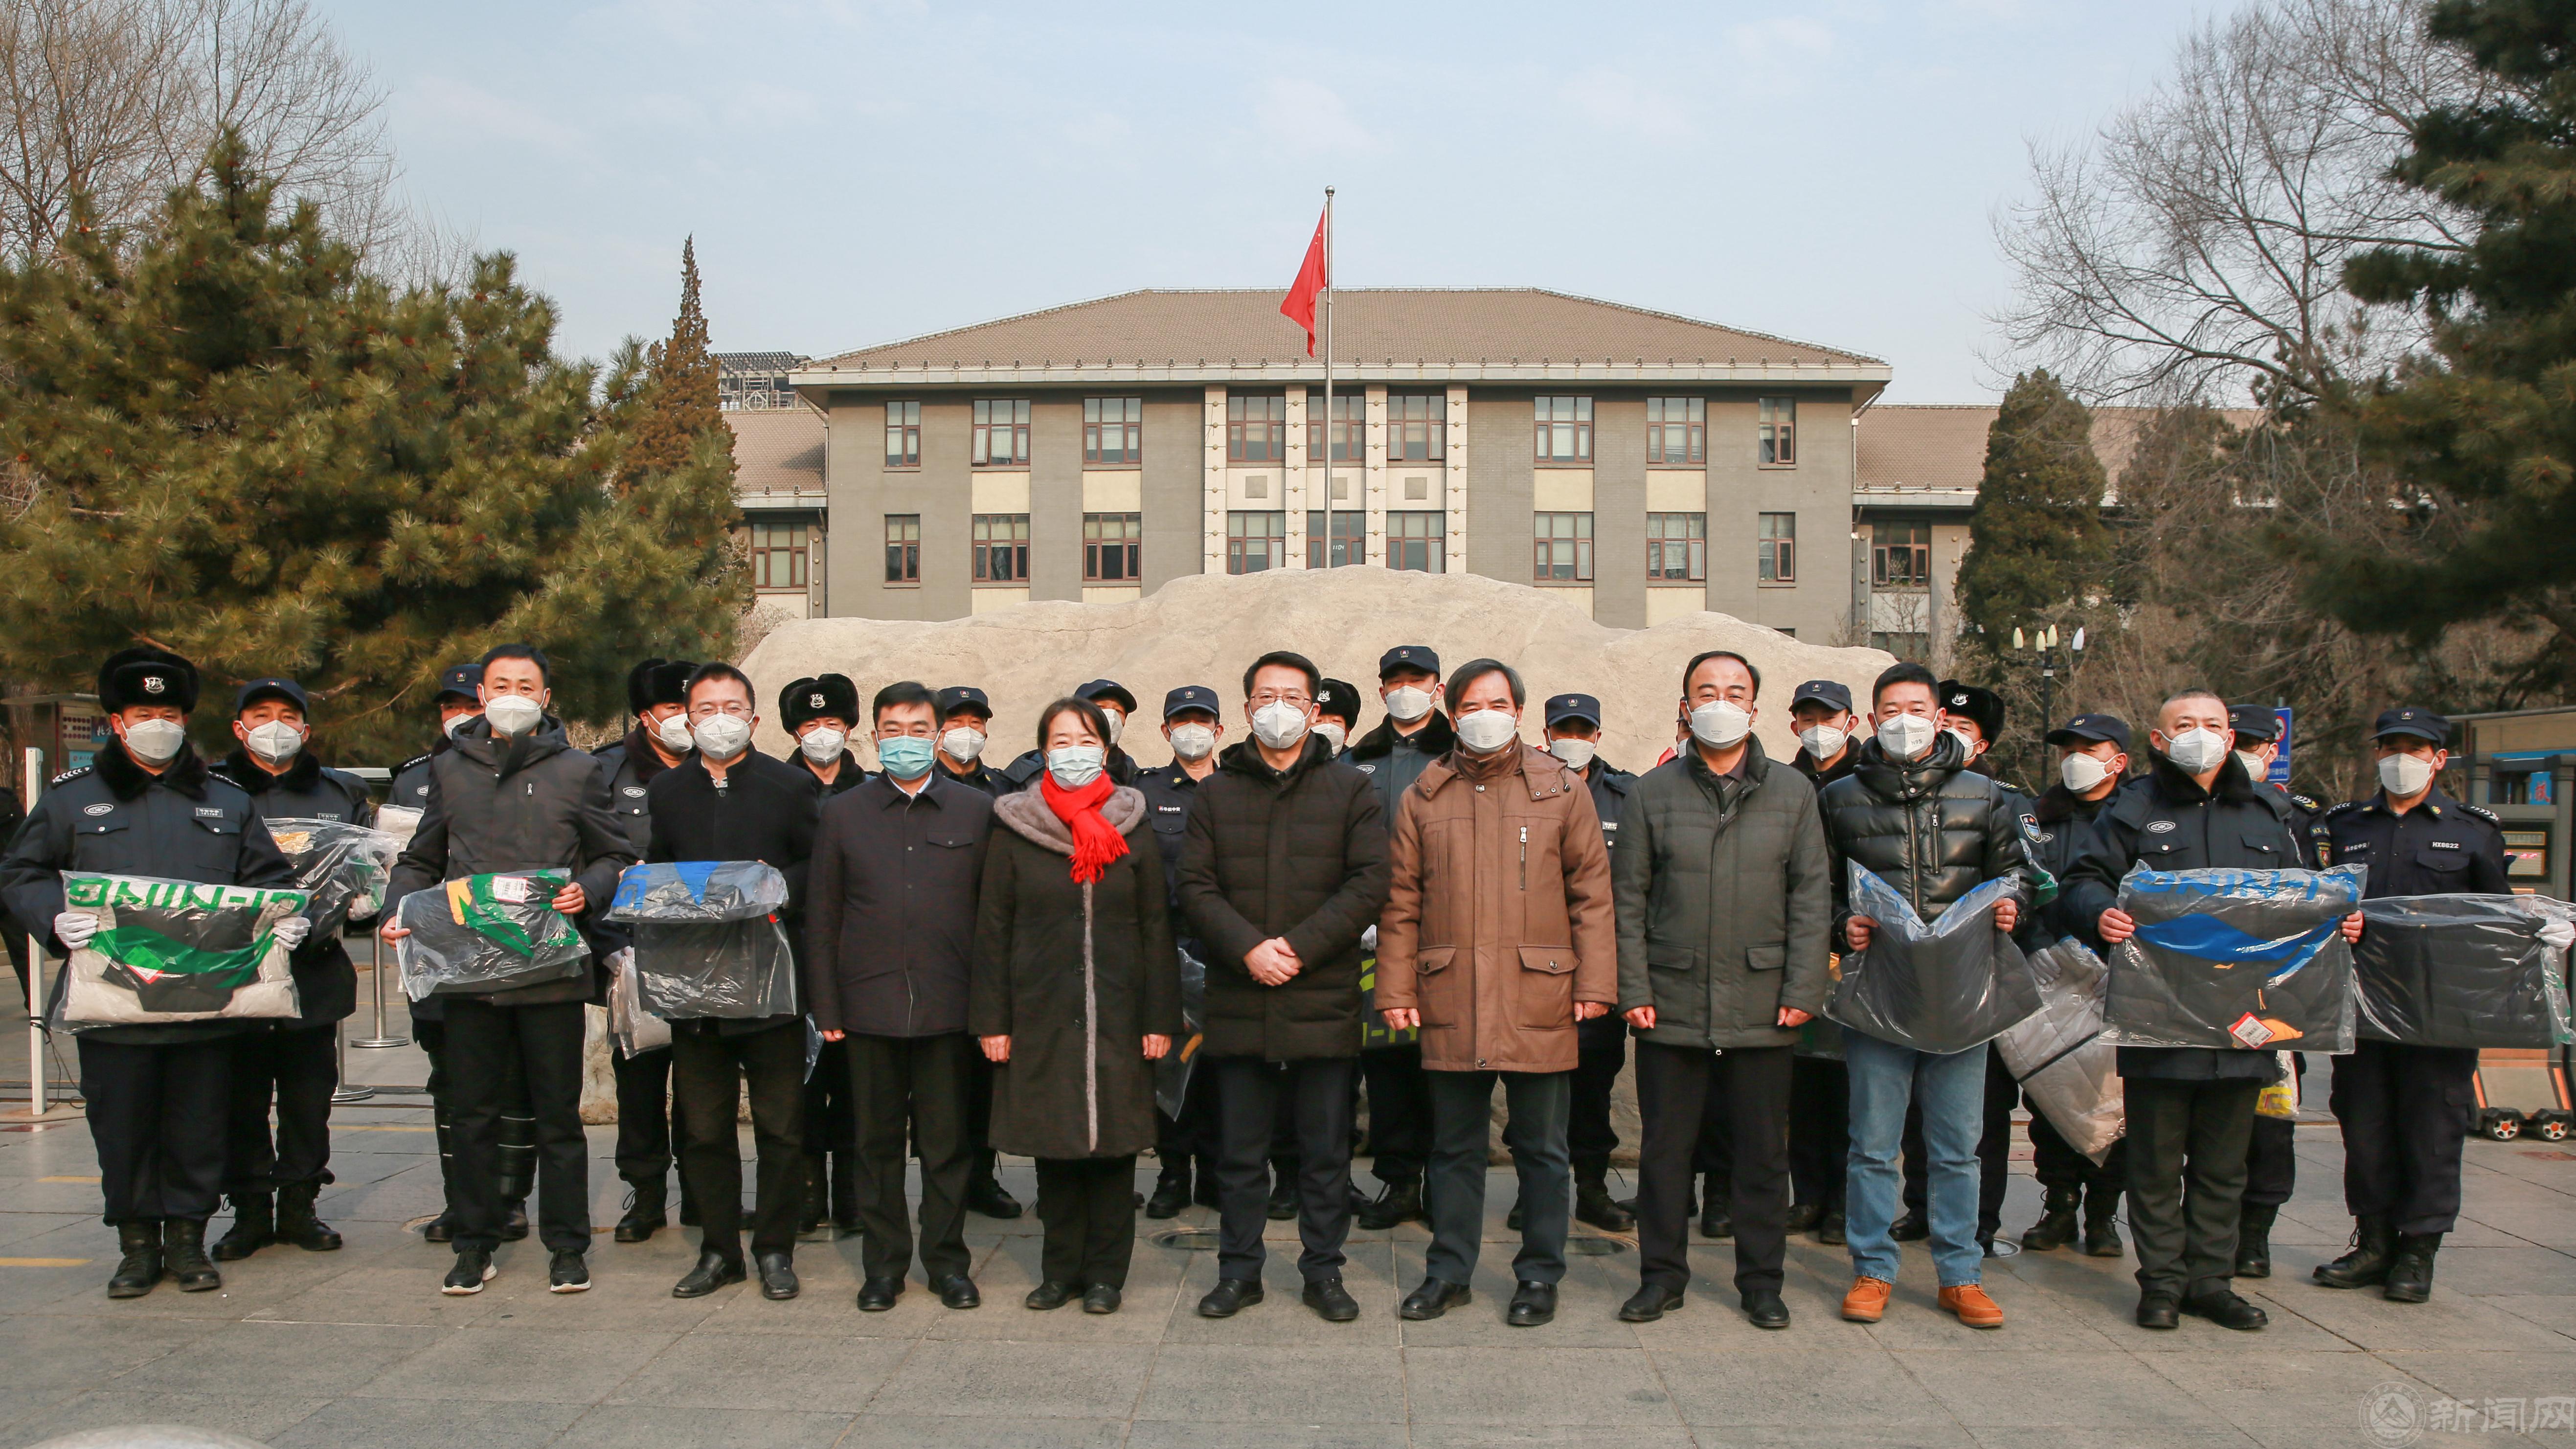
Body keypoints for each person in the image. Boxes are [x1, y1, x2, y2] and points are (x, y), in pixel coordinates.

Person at [1, 648, 305, 1298]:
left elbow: (268, 879)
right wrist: (54, 916)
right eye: (143, 713)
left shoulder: (225, 800)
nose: (157, 724)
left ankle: (189, 1241)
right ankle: (137, 1246)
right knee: (123, 1128)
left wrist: (283, 919)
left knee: (199, 1126)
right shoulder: (73, 800)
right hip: (113, 999)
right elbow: (22, 871)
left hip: (206, 998)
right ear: (116, 721)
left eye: (168, 712)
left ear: (186, 719)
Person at [2061, 687, 2363, 1332]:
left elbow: (2306, 895)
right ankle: (2162, 1284)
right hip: (2157, 1012)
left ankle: (2210, 1282)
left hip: (2245, 1015)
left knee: (2225, 1164)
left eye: (2211, 724)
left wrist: (2341, 919)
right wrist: (2100, 912)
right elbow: (2081, 880)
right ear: (2158, 738)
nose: (2198, 734)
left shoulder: (2269, 811)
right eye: (2183, 724)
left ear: (2229, 736)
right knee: (2154, 1163)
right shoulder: (2133, 807)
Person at [384, 644, 637, 1296]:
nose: (513, 695)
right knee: (472, 1115)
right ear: (483, 695)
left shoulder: (578, 769)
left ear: (546, 697)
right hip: (471, 974)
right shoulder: (450, 767)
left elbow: (613, 854)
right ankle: (475, 1242)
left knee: (558, 1117)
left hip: (551, 971)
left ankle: (567, 1245)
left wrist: (588, 889)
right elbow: (420, 859)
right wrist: (397, 909)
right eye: (502, 684)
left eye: (527, 685)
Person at [1376, 661, 1615, 1328]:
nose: (1486, 716)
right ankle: (1447, 1272)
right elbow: (1401, 902)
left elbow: (1592, 896)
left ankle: (1538, 1274)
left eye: (1499, 703)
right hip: (1451, 992)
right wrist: (1395, 986)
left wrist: (1596, 983)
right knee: (1453, 1148)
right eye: (1473, 706)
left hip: (1539, 992)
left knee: (1541, 1148)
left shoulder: (1560, 788)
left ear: (1518, 712)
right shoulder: (1425, 795)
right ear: (1452, 714)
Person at [1612, 651, 1833, 1328]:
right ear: (1686, 706)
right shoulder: (1652, 792)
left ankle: (1761, 1281)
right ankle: (1661, 1277)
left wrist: (1802, 987)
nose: (1720, 702)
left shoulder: (1793, 792)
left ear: (1754, 708)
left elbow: (1810, 898)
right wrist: (1633, 987)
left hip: (1763, 999)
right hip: (1670, 998)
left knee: (1762, 1153)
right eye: (1705, 691)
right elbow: (1628, 901)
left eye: (1734, 691)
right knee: (1664, 1152)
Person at [1180, 650, 1390, 1321]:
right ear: (1246, 708)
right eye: (1265, 696)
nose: (1279, 709)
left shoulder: (1350, 789)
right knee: (1239, 1154)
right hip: (1239, 996)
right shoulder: (1217, 792)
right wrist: (1248, 947)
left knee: (1325, 1153)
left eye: (1294, 697)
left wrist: (1297, 949)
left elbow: (1369, 882)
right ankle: (1239, 1271)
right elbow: (1194, 885)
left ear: (1313, 708)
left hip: (1321, 997)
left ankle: (1323, 1271)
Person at [1817, 661, 2026, 1331]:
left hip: (1962, 993)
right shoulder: (1839, 798)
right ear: (1872, 718)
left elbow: (2017, 873)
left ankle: (1960, 1274)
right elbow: (1817, 885)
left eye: (1916, 709)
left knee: (1956, 1146)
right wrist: (1841, 924)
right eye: (1891, 710)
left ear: (1938, 718)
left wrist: (2012, 904)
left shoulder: (1984, 794)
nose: (1904, 721)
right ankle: (1872, 1268)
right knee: (1873, 1144)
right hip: (1879, 992)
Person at [974, 696, 1182, 1314]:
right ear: (1042, 751)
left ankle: (1105, 1275)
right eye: (1061, 741)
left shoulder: (1131, 822)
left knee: (1115, 1152)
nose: (1074, 752)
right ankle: (1059, 1270)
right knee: (1055, 1150)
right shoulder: (1015, 826)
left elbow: (1156, 926)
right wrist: (992, 1020)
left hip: (1119, 1012)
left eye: (1086, 740)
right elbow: (993, 928)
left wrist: (1159, 1018)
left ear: (1107, 748)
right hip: (1040, 1012)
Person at [805, 681, 995, 1313]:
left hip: (950, 1007)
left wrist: (990, 1008)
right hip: (868, 1007)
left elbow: (992, 918)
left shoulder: (975, 811)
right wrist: (827, 1006)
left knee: (948, 1145)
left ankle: (947, 1263)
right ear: (874, 737)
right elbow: (824, 916)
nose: (905, 740)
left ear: (937, 736)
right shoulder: (843, 813)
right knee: (875, 1146)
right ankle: (883, 1267)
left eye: (918, 729)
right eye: (893, 729)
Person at [2314, 707, 2509, 1303]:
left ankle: (2418, 1251)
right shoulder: (2343, 827)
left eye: (2415, 748)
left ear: (2438, 758)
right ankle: (2373, 1242)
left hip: (2437, 1010)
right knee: (2364, 1125)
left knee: (2431, 1130)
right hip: (2361, 1003)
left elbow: (2495, 920)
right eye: (2390, 746)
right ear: (2377, 754)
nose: (2401, 758)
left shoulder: (2473, 831)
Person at [649, 663, 823, 1302]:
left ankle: (775, 1247)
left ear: (753, 717)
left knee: (781, 1127)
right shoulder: (667, 790)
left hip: (771, 981)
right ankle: (719, 1250)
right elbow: (657, 866)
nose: (718, 718)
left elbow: (817, 864)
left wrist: (776, 884)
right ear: (686, 718)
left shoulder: (789, 785)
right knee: (703, 1129)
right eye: (705, 707)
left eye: (731, 706)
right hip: (696, 986)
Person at [206, 677, 373, 1262]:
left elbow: (365, 865)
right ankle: (250, 1209)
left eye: (287, 714)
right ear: (239, 727)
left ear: (306, 728)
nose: (274, 725)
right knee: (242, 1098)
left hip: (312, 968)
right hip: (235, 969)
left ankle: (301, 1204)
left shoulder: (340, 791)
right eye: (260, 714)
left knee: (308, 1099)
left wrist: (364, 901)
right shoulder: (210, 789)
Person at [387, 664, 527, 1247]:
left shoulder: (543, 768)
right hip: (442, 957)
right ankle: (462, 1200)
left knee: (515, 1082)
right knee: (452, 1085)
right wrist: (396, 908)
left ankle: (510, 1200)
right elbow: (410, 857)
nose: (461, 717)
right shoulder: (420, 776)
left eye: (471, 704)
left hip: (516, 950)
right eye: (450, 707)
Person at [1894, 681, 2027, 1254]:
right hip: (1910, 974)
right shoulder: (1893, 791)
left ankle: (1978, 1220)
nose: (1947, 736)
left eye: (1962, 729)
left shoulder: (2002, 801)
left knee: (1979, 1113)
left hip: (1976, 975)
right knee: (1913, 1109)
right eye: (1943, 724)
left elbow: (2027, 879)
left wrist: (2013, 907)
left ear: (1983, 742)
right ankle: (1920, 1205)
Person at [2013, 713, 2134, 1260]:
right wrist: (2043, 948)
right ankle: (2059, 1204)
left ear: (2119, 760)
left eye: (2090, 749)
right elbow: (2024, 884)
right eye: (2069, 750)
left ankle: (2103, 1214)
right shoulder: (2038, 816)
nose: (2075, 759)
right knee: (2052, 1096)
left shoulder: (2136, 815)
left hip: (2117, 975)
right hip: (2051, 973)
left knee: (2115, 1100)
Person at [595, 658, 698, 1245]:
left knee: (702, 1081)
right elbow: (590, 862)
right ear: (645, 716)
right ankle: (646, 1193)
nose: (685, 719)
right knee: (639, 1080)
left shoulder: (719, 765)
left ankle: (703, 1192)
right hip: (632, 955)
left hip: (705, 955)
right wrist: (610, 951)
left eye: (691, 708)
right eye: (672, 709)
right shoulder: (605, 772)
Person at [1348, 644, 1449, 1230]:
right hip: (1375, 940)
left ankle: (1444, 1181)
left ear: (1437, 687)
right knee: (1386, 1063)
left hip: (1447, 939)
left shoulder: (1460, 753)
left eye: (1418, 677)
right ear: (1382, 688)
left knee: (1444, 1062)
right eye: (1396, 679)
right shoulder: (1358, 760)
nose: (1406, 688)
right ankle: (1400, 1180)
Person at [2227, 701, 2324, 1278]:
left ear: (2270, 750)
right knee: (2207, 1121)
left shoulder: (2295, 819)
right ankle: (2209, 1229)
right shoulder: (2184, 809)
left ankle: (2255, 1234)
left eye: (2250, 744)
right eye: (2232, 740)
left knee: (2269, 1120)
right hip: (2205, 988)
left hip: (2273, 993)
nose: (2239, 754)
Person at [1536, 692, 1638, 1233]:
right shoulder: (1525, 787)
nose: (1572, 739)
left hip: (1597, 967)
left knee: (1594, 1085)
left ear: (1597, 736)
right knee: (1535, 1088)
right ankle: (1535, 1191)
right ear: (1546, 734)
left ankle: (1592, 1189)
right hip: (1534, 968)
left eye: (1582, 730)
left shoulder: (1626, 795)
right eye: (1563, 730)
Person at [779, 673, 865, 1238]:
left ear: (850, 727)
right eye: (810, 724)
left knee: (858, 1085)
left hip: (858, 958)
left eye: (832, 722)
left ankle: (854, 1197)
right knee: (799, 1087)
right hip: (789, 954)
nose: (822, 733)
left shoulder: (871, 790)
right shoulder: (774, 789)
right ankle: (806, 1194)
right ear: (794, 731)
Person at [1140, 685, 1225, 1219]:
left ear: (1219, 730)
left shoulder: (1236, 786)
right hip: (1167, 946)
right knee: (1170, 1062)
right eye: (1181, 721)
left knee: (1219, 1066)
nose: (1192, 730)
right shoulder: (1144, 791)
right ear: (1166, 730)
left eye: (1202, 721)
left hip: (1224, 947)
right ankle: (1173, 1173)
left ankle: (1215, 1172)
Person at [1784, 679, 1860, 1246]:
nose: (1817, 728)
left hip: (1854, 944)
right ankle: (1808, 1193)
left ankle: (1843, 1200)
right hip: (1796, 945)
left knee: (1848, 1082)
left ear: (1850, 722)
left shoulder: (1866, 782)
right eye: (1807, 718)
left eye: (1827, 718)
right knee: (1803, 1080)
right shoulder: (1786, 783)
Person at [998, 679, 1141, 790]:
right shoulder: (1031, 770)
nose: (1111, 717)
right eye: (1100, 708)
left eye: (1118, 711)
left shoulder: (1130, 772)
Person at [934, 685, 1003, 795]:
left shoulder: (1002, 785)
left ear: (986, 734)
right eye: (956, 721)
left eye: (975, 722)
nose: (967, 729)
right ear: (937, 730)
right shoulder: (921, 782)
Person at [1313, 679, 1363, 757]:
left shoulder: (1358, 764)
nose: (1328, 727)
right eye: (1318, 721)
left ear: (1346, 735)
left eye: (1336, 721)